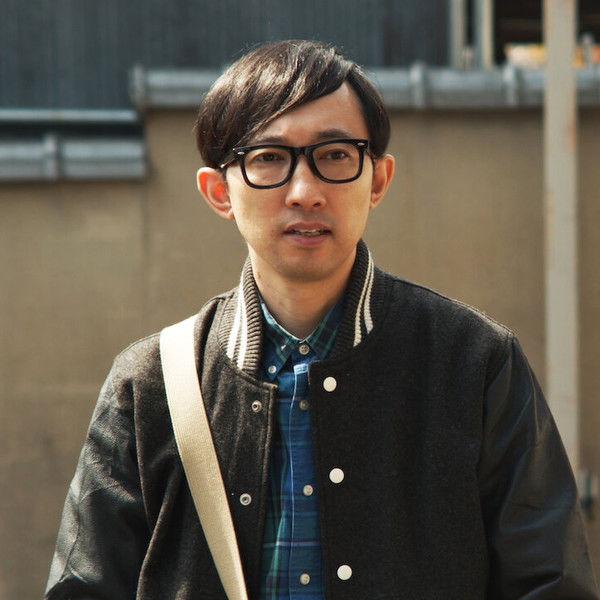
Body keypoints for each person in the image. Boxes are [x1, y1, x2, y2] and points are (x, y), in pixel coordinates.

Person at [45, 40, 598, 599]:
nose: (305, 193)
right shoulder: (150, 384)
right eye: (268, 158)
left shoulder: (474, 362)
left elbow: (549, 584)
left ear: (377, 180)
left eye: (335, 155)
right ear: (218, 191)